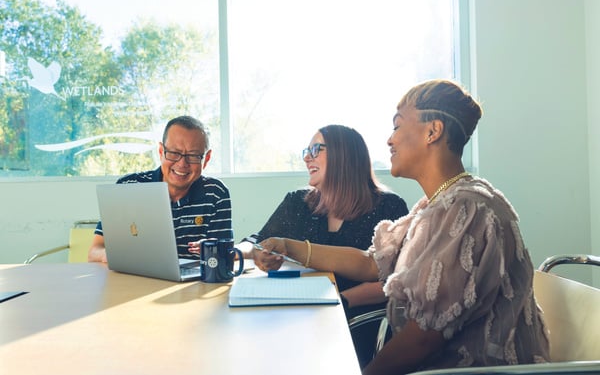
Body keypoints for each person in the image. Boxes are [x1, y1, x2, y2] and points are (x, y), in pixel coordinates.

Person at [255, 80, 550, 375]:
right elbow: (372, 263)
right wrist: (287, 245)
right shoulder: (434, 206)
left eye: (397, 127)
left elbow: (422, 339)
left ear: (432, 132)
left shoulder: (468, 209)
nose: (389, 140)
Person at [243, 124, 409, 368]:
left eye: (315, 149)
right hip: (297, 317)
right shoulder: (297, 202)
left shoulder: (388, 207)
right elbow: (254, 242)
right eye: (306, 151)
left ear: (345, 154)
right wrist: (258, 254)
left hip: (356, 322)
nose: (307, 157)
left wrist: (341, 300)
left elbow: (397, 280)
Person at [88, 115, 233, 263]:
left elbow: (224, 255)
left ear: (206, 159)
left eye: (193, 156)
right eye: (174, 153)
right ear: (160, 151)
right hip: (136, 279)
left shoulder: (215, 193)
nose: (182, 163)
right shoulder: (127, 187)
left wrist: (214, 250)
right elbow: (94, 251)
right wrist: (113, 255)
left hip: (195, 283)